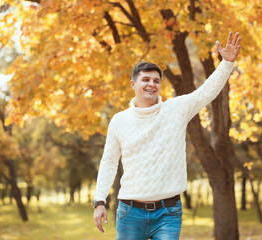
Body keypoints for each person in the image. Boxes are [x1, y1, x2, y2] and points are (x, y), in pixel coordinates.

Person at [93, 31, 241, 239]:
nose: (151, 84)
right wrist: (100, 201)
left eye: (156, 80)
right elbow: (109, 162)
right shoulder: (119, 120)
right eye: (146, 79)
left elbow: (206, 92)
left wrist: (226, 64)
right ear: (133, 84)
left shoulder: (176, 109)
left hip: (168, 213)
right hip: (129, 213)